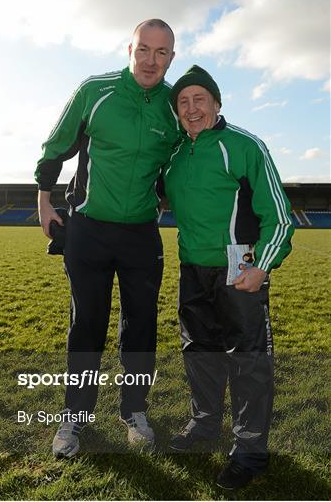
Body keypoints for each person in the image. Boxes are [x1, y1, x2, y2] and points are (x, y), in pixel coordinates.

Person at [34, 19, 177, 457]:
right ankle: (75, 419)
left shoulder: (174, 106)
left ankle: (133, 410)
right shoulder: (95, 91)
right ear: (129, 49)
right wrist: (44, 198)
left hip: (141, 235)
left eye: (162, 52)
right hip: (89, 230)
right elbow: (57, 145)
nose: (151, 60)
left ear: (171, 57)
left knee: (142, 328)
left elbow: (187, 157)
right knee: (87, 326)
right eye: (144, 49)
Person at [164, 65, 294, 489]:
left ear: (217, 103)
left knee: (248, 361)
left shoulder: (245, 145)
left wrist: (262, 267)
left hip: (240, 271)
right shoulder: (176, 155)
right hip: (192, 270)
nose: (191, 107)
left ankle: (251, 450)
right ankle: (204, 426)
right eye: (183, 102)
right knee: (199, 352)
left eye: (200, 99)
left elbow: (279, 215)